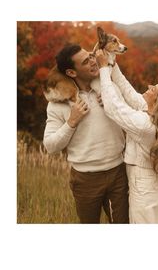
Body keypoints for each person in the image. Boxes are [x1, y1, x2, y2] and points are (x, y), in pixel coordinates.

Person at [96, 49, 158, 224]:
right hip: (150, 182)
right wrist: (112, 63)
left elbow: (113, 108)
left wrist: (103, 68)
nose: (148, 87)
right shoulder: (154, 114)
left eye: (153, 89)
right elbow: (129, 92)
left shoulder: (146, 126)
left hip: (143, 187)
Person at [43, 44, 129, 224]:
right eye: (85, 61)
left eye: (91, 56)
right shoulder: (58, 103)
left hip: (118, 173)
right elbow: (50, 146)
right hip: (85, 179)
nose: (93, 61)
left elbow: (132, 117)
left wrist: (113, 104)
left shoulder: (108, 88)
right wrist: (72, 121)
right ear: (72, 73)